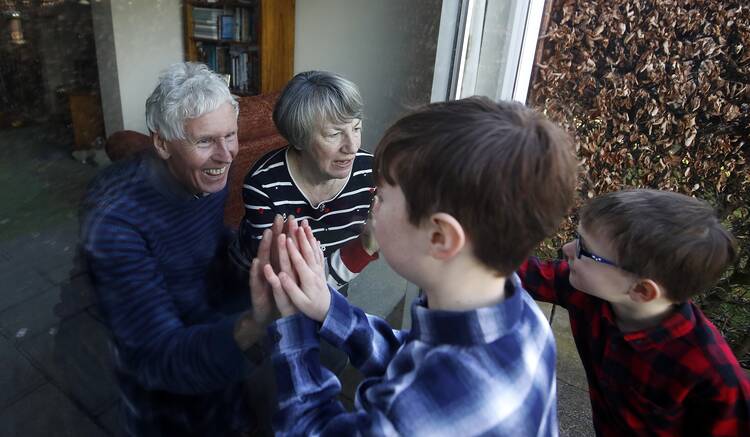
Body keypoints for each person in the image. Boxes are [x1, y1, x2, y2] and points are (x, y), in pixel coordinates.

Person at [256, 96, 579, 435]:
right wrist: (327, 306)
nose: (373, 207)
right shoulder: (521, 315)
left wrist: (292, 323)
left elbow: (310, 429)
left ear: (439, 236)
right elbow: (410, 357)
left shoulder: (413, 417)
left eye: (381, 196)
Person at [80, 62, 273, 436]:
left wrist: (252, 253)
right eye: (205, 141)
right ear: (162, 143)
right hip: (168, 394)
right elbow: (157, 357)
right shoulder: (114, 219)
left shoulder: (209, 171)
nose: (226, 155)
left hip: (215, 339)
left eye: (230, 135)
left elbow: (203, 234)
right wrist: (258, 321)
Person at [518, 189, 750, 436]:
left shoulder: (712, 376)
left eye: (584, 249)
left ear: (641, 290)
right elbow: (523, 273)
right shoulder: (593, 294)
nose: (567, 248)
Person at [235, 70, 378, 289]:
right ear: (299, 139)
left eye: (356, 128)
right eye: (334, 134)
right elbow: (289, 287)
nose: (352, 147)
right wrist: (364, 249)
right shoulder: (264, 185)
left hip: (336, 276)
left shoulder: (370, 172)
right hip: (260, 289)